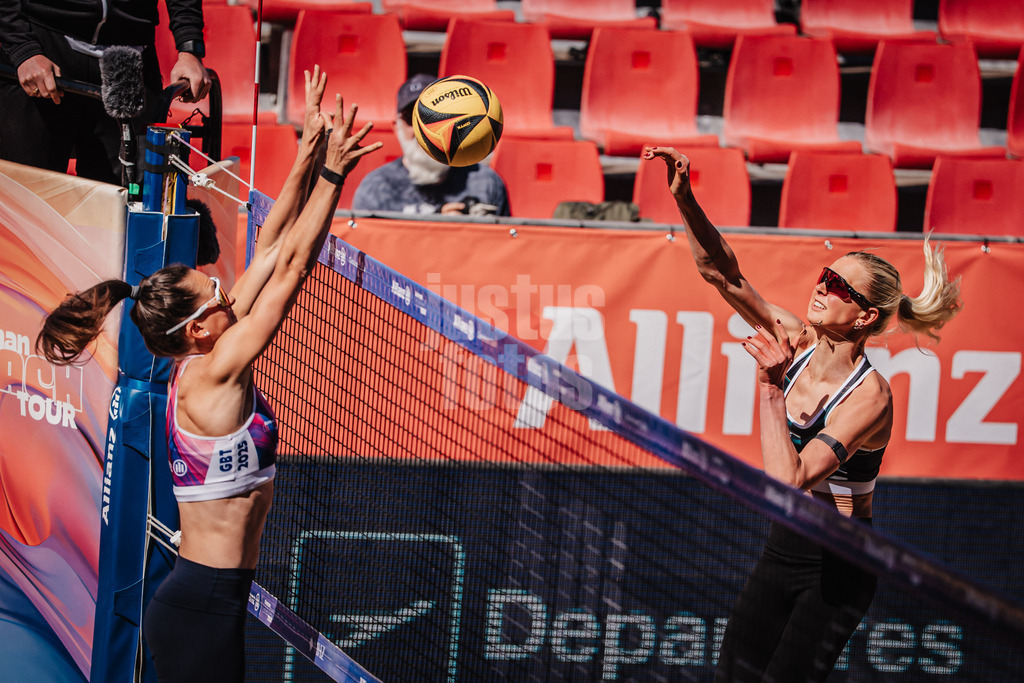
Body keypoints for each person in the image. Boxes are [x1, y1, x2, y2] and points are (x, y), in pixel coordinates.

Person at [36, 66, 381, 682]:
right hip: (200, 606)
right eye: (216, 290)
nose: (228, 290)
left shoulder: (204, 354)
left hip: (208, 601)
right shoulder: (216, 373)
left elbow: (271, 249)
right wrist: (335, 174)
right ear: (198, 327)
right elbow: (295, 269)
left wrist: (304, 157)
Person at [642, 147, 962, 682]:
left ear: (864, 315)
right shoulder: (798, 340)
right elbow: (722, 275)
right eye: (824, 275)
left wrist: (770, 385)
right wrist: (686, 199)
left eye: (839, 287)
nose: (821, 287)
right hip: (785, 547)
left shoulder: (871, 397)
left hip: (838, 565)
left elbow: (787, 480)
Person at [0, 0, 211, 184]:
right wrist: (23, 49)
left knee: (125, 202)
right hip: (43, 49)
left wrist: (189, 49)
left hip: (130, 55)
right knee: (27, 198)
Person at [351, 73, 510, 217]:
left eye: (433, 118)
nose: (423, 131)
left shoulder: (486, 182)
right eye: (410, 118)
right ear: (395, 127)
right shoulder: (377, 187)